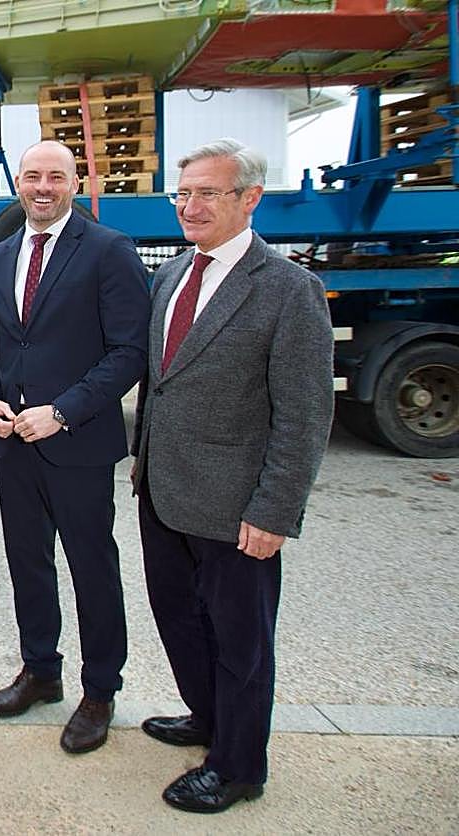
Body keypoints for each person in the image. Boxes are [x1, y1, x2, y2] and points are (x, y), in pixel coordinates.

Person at [132, 138, 334, 813]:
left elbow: (304, 414)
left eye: (206, 193)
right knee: (181, 621)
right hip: (163, 493)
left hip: (236, 507)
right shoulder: (170, 277)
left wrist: (275, 511)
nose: (189, 205)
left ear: (249, 199)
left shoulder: (288, 289)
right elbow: (161, 386)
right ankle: (208, 718)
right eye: (182, 193)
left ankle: (240, 766)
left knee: (241, 640)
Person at [0, 140, 150, 754]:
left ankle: (99, 691)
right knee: (28, 565)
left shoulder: (107, 251)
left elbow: (128, 351)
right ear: (18, 183)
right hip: (12, 446)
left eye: (56, 177)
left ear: (76, 183)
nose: (42, 187)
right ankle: (40, 671)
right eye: (32, 176)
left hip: (77, 446)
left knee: (92, 569)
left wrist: (63, 412)